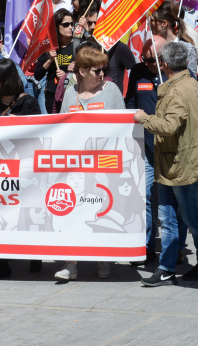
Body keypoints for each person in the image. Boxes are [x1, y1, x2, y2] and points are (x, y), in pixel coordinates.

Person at [134, 42, 198, 287]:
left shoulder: (177, 90)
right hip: (173, 163)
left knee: (189, 217)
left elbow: (170, 127)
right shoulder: (189, 83)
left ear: (166, 65)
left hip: (182, 164)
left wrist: (144, 118)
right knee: (168, 217)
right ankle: (167, 267)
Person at [51, 47, 125, 281]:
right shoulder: (70, 92)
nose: (102, 74)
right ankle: (70, 264)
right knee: (72, 213)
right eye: (97, 70)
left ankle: (102, 258)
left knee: (100, 211)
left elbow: (122, 124)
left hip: (104, 164)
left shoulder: (111, 90)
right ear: (81, 71)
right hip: (74, 165)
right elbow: (61, 125)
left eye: (104, 69)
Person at [0, 58, 41, 281]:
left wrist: (21, 126)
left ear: (5, 78)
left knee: (26, 214)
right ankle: (2, 263)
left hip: (24, 171)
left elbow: (39, 139)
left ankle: (35, 253)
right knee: (1, 215)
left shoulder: (29, 103)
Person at [34, 9, 79, 113]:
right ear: (56, 26)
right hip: (52, 95)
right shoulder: (48, 47)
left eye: (72, 24)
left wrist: (68, 75)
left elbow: (86, 72)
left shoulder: (77, 45)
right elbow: (37, 75)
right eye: (66, 24)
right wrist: (50, 60)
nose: (70, 27)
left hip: (72, 92)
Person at [150, 1, 198, 77]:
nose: (149, 23)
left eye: (152, 20)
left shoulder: (188, 48)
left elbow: (191, 79)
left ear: (164, 23)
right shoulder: (153, 46)